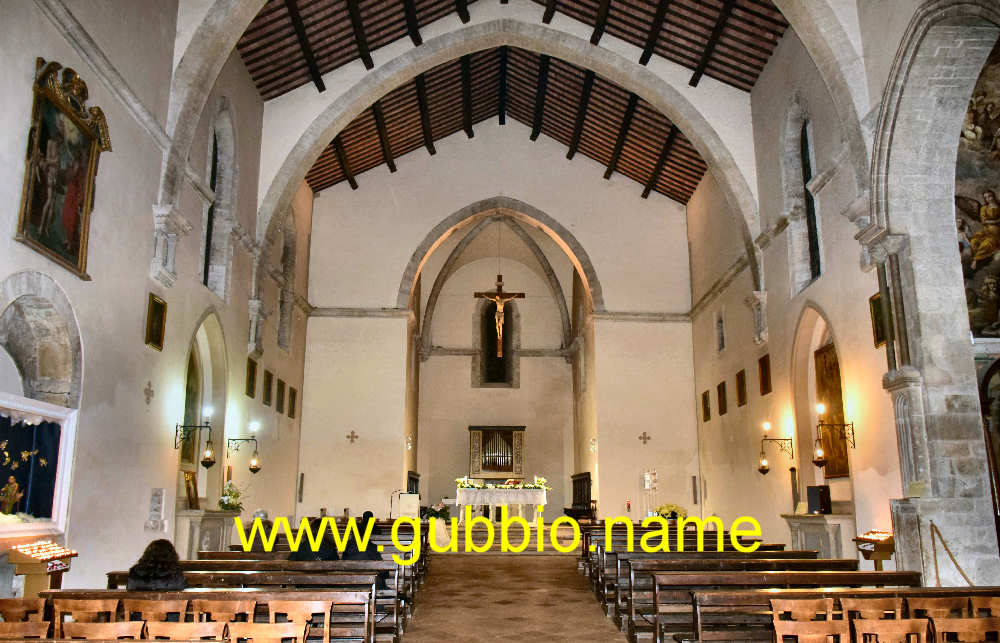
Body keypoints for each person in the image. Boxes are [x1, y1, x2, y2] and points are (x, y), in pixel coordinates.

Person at [341, 511, 387, 589]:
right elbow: (382, 569)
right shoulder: (372, 546)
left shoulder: (347, 547)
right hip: (370, 584)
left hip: (349, 584)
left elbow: (342, 563)